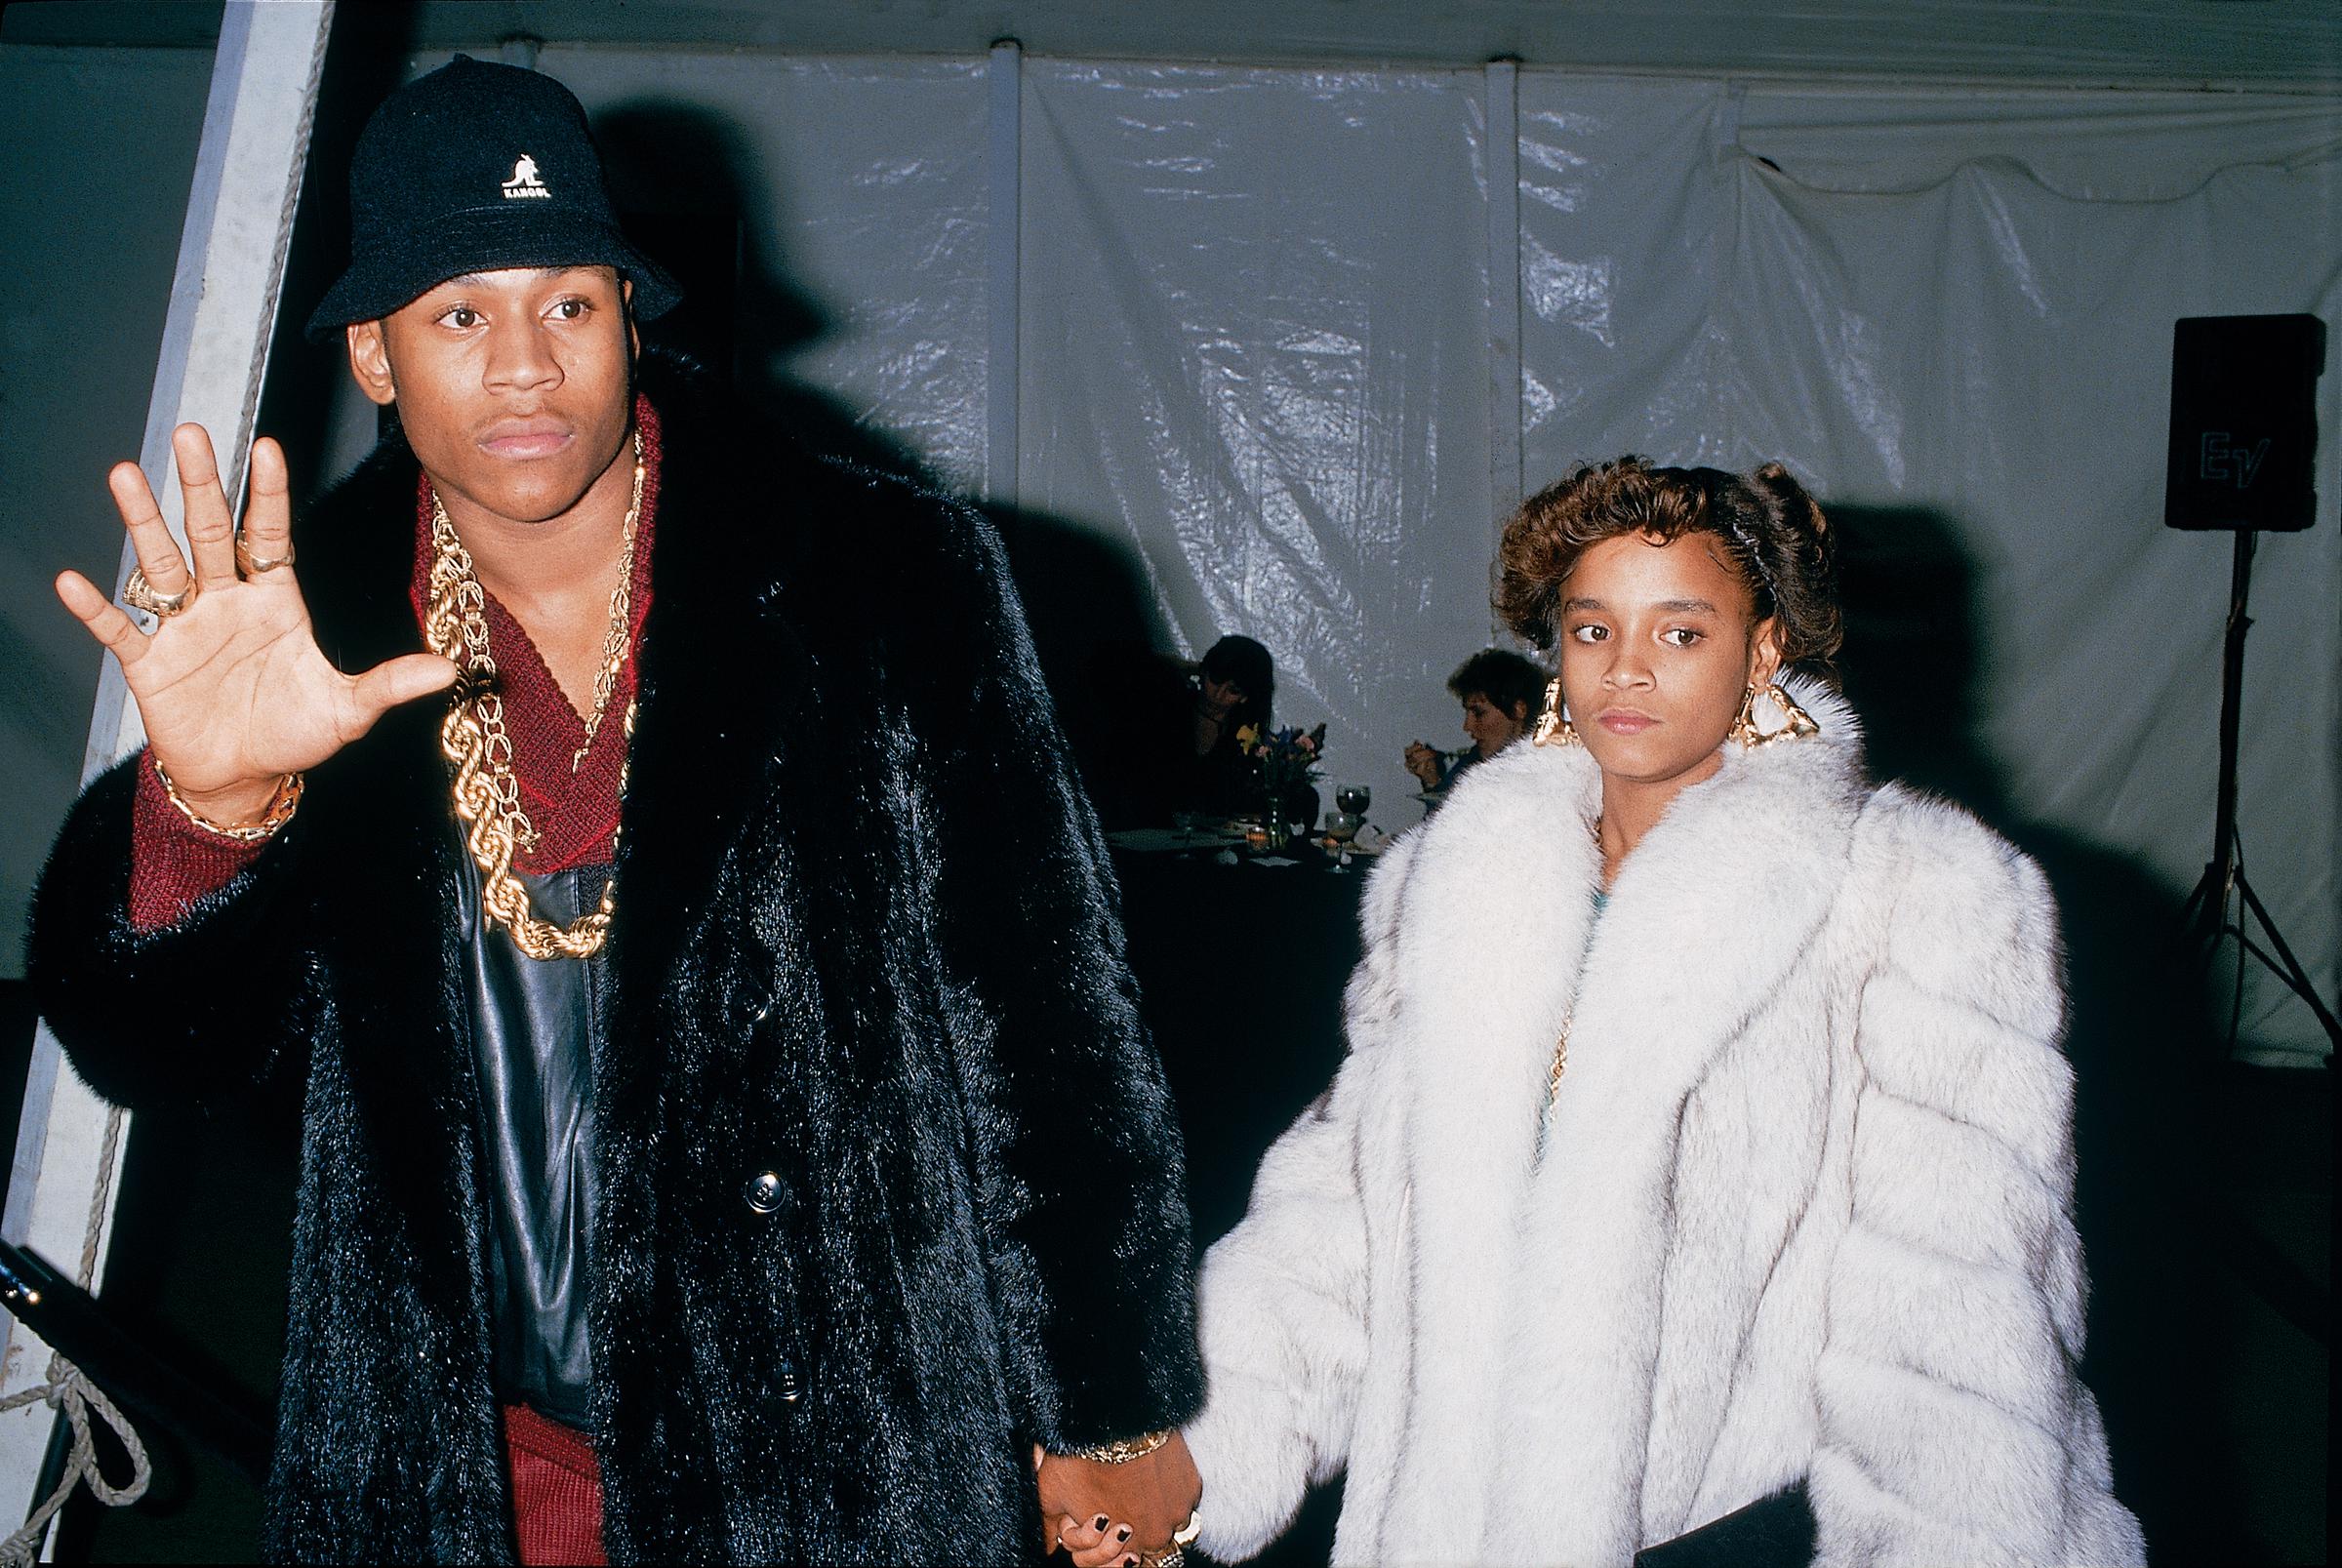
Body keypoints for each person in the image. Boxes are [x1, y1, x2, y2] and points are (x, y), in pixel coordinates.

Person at [28, 58, 1200, 1565]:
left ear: (630, 316)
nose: (525, 364)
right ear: (374, 354)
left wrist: (1110, 1407)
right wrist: (216, 801)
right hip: (458, 1466)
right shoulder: (305, 641)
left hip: (828, 1456)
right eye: (461, 314)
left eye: (568, 303)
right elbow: (154, 1057)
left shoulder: (884, 579)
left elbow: (1050, 1022)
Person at [1092, 457, 2146, 1567]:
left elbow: (1953, 1318)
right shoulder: (1455, 882)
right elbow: (1346, 1212)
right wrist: (1186, 1447)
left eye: (1680, 632)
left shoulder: (1918, 896)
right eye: (1593, 629)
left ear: (1765, 648)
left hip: (1718, 1527)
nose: (1626, 668)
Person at [1401, 647, 1547, 797]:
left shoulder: (1548, 771)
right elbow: (1449, 808)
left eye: (1479, 713)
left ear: (1519, 709)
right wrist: (1433, 781)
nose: (1467, 726)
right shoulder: (1473, 762)